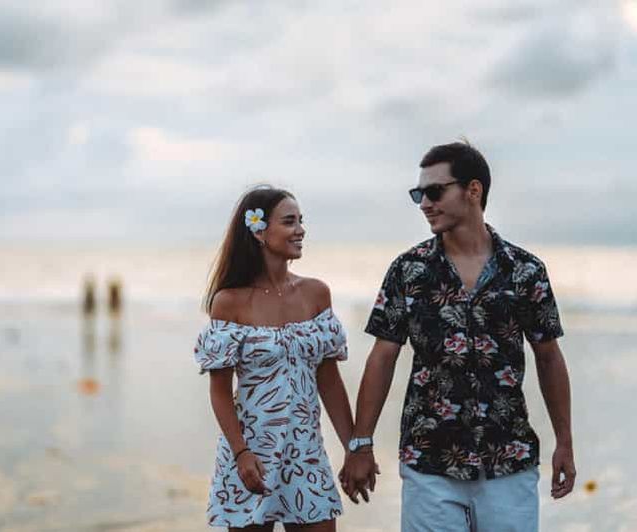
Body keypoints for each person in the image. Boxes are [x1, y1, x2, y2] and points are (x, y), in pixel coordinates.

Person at [342, 142, 576, 531]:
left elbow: (548, 356)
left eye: (434, 192)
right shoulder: (408, 270)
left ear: (473, 191)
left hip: (508, 459)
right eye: (418, 194)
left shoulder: (526, 270)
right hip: (429, 461)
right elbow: (382, 357)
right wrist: (360, 443)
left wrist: (564, 441)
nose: (424, 203)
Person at [195, 186, 355, 531]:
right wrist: (241, 453)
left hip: (306, 454)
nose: (300, 230)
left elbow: (329, 381)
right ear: (259, 231)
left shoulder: (316, 294)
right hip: (250, 456)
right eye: (289, 221)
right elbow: (220, 391)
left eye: (301, 221)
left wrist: (355, 448)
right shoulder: (230, 302)